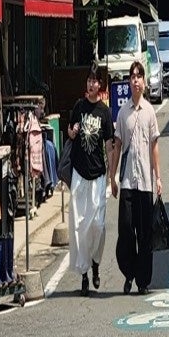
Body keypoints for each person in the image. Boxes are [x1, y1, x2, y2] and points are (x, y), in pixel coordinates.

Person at [111, 58, 162, 294]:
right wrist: (112, 177)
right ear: (129, 82)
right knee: (125, 229)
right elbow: (117, 145)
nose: (135, 81)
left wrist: (158, 177)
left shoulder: (150, 112)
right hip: (128, 182)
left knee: (145, 232)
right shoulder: (123, 113)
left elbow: (154, 147)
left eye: (139, 76)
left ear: (144, 81)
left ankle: (142, 280)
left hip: (145, 182)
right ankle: (128, 272)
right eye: (132, 77)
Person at [66, 63, 115, 295]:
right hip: (79, 174)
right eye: (89, 80)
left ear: (100, 85)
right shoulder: (79, 106)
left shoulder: (105, 112)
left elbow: (108, 144)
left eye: (95, 81)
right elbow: (70, 131)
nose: (91, 84)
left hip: (98, 176)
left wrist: (111, 174)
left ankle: (95, 263)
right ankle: (84, 274)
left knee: (98, 225)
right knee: (79, 226)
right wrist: (72, 132)